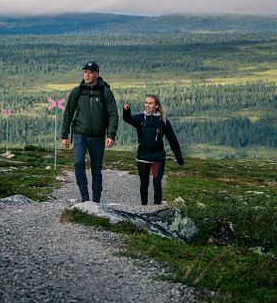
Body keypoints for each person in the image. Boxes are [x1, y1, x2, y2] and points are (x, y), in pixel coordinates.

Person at [61, 61, 118, 203]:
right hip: (80, 134)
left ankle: (97, 200)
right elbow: (68, 113)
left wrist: (111, 134)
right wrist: (64, 135)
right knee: (79, 162)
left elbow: (113, 114)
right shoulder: (77, 91)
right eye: (85, 72)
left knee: (96, 169)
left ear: (97, 74)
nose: (87, 75)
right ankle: (85, 196)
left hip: (98, 136)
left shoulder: (106, 92)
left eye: (90, 72)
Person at [123, 95, 184, 205]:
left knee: (157, 183)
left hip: (158, 157)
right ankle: (144, 207)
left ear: (156, 105)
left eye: (150, 103)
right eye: (146, 102)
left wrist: (179, 158)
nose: (147, 105)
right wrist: (126, 110)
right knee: (144, 183)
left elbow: (172, 140)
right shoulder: (141, 118)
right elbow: (128, 119)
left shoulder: (163, 121)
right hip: (143, 156)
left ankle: (157, 208)